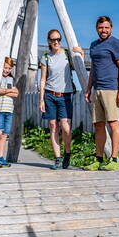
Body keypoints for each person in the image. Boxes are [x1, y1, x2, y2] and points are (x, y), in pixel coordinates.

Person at [83, 16, 119, 171]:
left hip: (112, 89)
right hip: (97, 90)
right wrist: (88, 89)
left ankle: (114, 160)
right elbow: (93, 69)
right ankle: (99, 160)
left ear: (111, 28)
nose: (103, 30)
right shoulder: (93, 46)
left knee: (114, 123)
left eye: (106, 28)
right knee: (98, 126)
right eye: (101, 28)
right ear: (97, 28)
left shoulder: (117, 44)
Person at [39, 29, 84, 170]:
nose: (56, 42)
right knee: (53, 126)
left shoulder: (67, 55)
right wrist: (41, 99)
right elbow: (42, 80)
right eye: (53, 40)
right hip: (50, 95)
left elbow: (79, 66)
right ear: (49, 41)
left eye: (58, 39)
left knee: (65, 128)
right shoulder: (46, 57)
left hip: (65, 96)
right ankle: (57, 158)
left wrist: (81, 54)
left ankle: (68, 153)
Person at [0, 57, 19, 168]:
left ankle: (1, 157)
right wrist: (9, 91)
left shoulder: (11, 79)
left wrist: (4, 91)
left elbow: (16, 94)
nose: (6, 70)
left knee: (5, 135)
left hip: (9, 110)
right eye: (5, 67)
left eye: (9, 68)